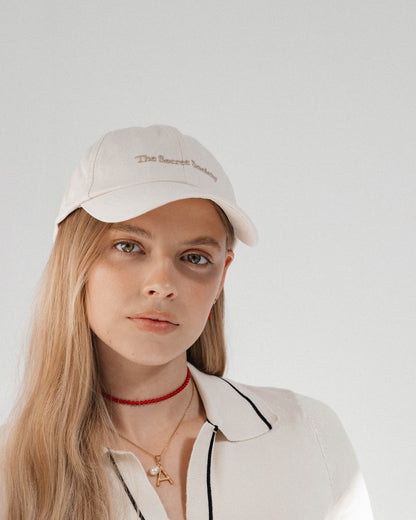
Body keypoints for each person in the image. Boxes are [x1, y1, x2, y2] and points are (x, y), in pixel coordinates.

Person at [0, 125, 374, 519]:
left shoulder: (306, 435)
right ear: (73, 261)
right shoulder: (12, 473)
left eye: (195, 257)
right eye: (129, 246)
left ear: (221, 277)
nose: (162, 285)